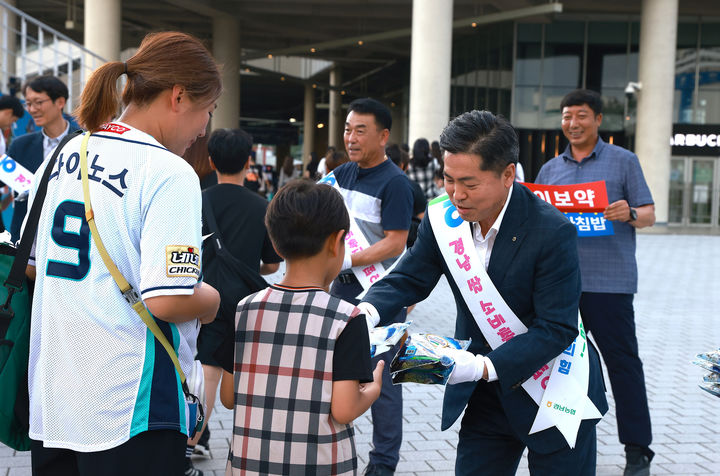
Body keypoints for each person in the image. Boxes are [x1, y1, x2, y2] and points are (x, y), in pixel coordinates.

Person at [358, 110, 607, 476]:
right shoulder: (442, 220)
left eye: (470, 184)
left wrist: (483, 365)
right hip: (486, 395)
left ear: (508, 174)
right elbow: (408, 278)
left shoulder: (551, 231)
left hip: (556, 389)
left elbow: (557, 327)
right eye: (448, 179)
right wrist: (365, 312)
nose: (456, 194)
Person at [23, 32, 222, 476]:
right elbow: (168, 300)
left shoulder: (63, 154)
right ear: (178, 96)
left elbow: (32, 267)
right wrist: (212, 301)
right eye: (206, 112)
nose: (203, 129)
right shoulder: (169, 172)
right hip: (129, 404)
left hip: (53, 400)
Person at [220, 180, 383, 475]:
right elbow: (345, 409)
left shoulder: (244, 309)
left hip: (250, 465)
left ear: (274, 240)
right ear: (337, 242)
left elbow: (228, 397)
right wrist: (373, 389)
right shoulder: (347, 318)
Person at [535, 89, 655, 476]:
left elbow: (650, 214)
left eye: (582, 115)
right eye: (567, 116)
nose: (573, 123)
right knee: (555, 367)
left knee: (623, 366)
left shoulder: (623, 162)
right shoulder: (551, 171)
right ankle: (556, 441)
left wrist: (630, 211)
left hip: (610, 285)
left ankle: (638, 451)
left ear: (599, 120)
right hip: (559, 287)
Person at [330, 97, 413, 476]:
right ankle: (328, 448)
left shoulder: (396, 183)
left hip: (379, 294)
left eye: (360, 130)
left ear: (383, 136)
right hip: (338, 290)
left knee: (383, 381)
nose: (351, 137)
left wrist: (348, 260)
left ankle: (382, 465)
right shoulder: (341, 174)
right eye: (348, 129)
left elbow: (397, 242)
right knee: (333, 371)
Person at [190, 128, 282, 469]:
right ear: (248, 161)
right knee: (249, 377)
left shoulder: (195, 198)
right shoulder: (263, 206)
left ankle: (191, 442)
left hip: (203, 299)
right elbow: (272, 263)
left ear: (211, 161)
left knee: (206, 372)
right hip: (248, 302)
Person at [8, 75, 82, 242]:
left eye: (38, 102)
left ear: (60, 102)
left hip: (68, 239)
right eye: (28, 103)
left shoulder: (85, 142)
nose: (32, 109)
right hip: (26, 242)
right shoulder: (20, 146)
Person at [385, 143, 426, 247]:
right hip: (407, 247)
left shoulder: (375, 185)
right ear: (404, 166)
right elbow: (423, 220)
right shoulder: (413, 186)